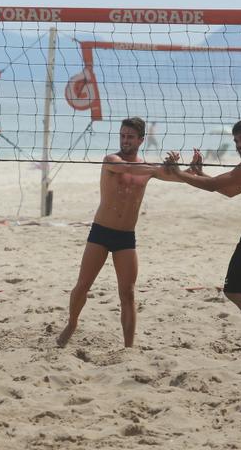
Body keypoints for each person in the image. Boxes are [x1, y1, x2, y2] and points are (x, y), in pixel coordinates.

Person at [57, 117, 190, 348]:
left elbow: (177, 177)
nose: (125, 140)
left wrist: (190, 170)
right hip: (100, 233)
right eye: (122, 135)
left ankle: (128, 347)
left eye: (130, 136)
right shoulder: (111, 160)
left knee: (127, 293)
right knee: (83, 285)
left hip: (126, 237)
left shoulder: (148, 168)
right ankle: (72, 322)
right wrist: (161, 168)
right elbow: (128, 168)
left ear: (141, 139)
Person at [165, 120, 241, 357]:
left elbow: (212, 187)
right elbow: (229, 190)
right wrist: (200, 173)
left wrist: (179, 173)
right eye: (237, 141)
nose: (239, 145)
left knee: (233, 290)